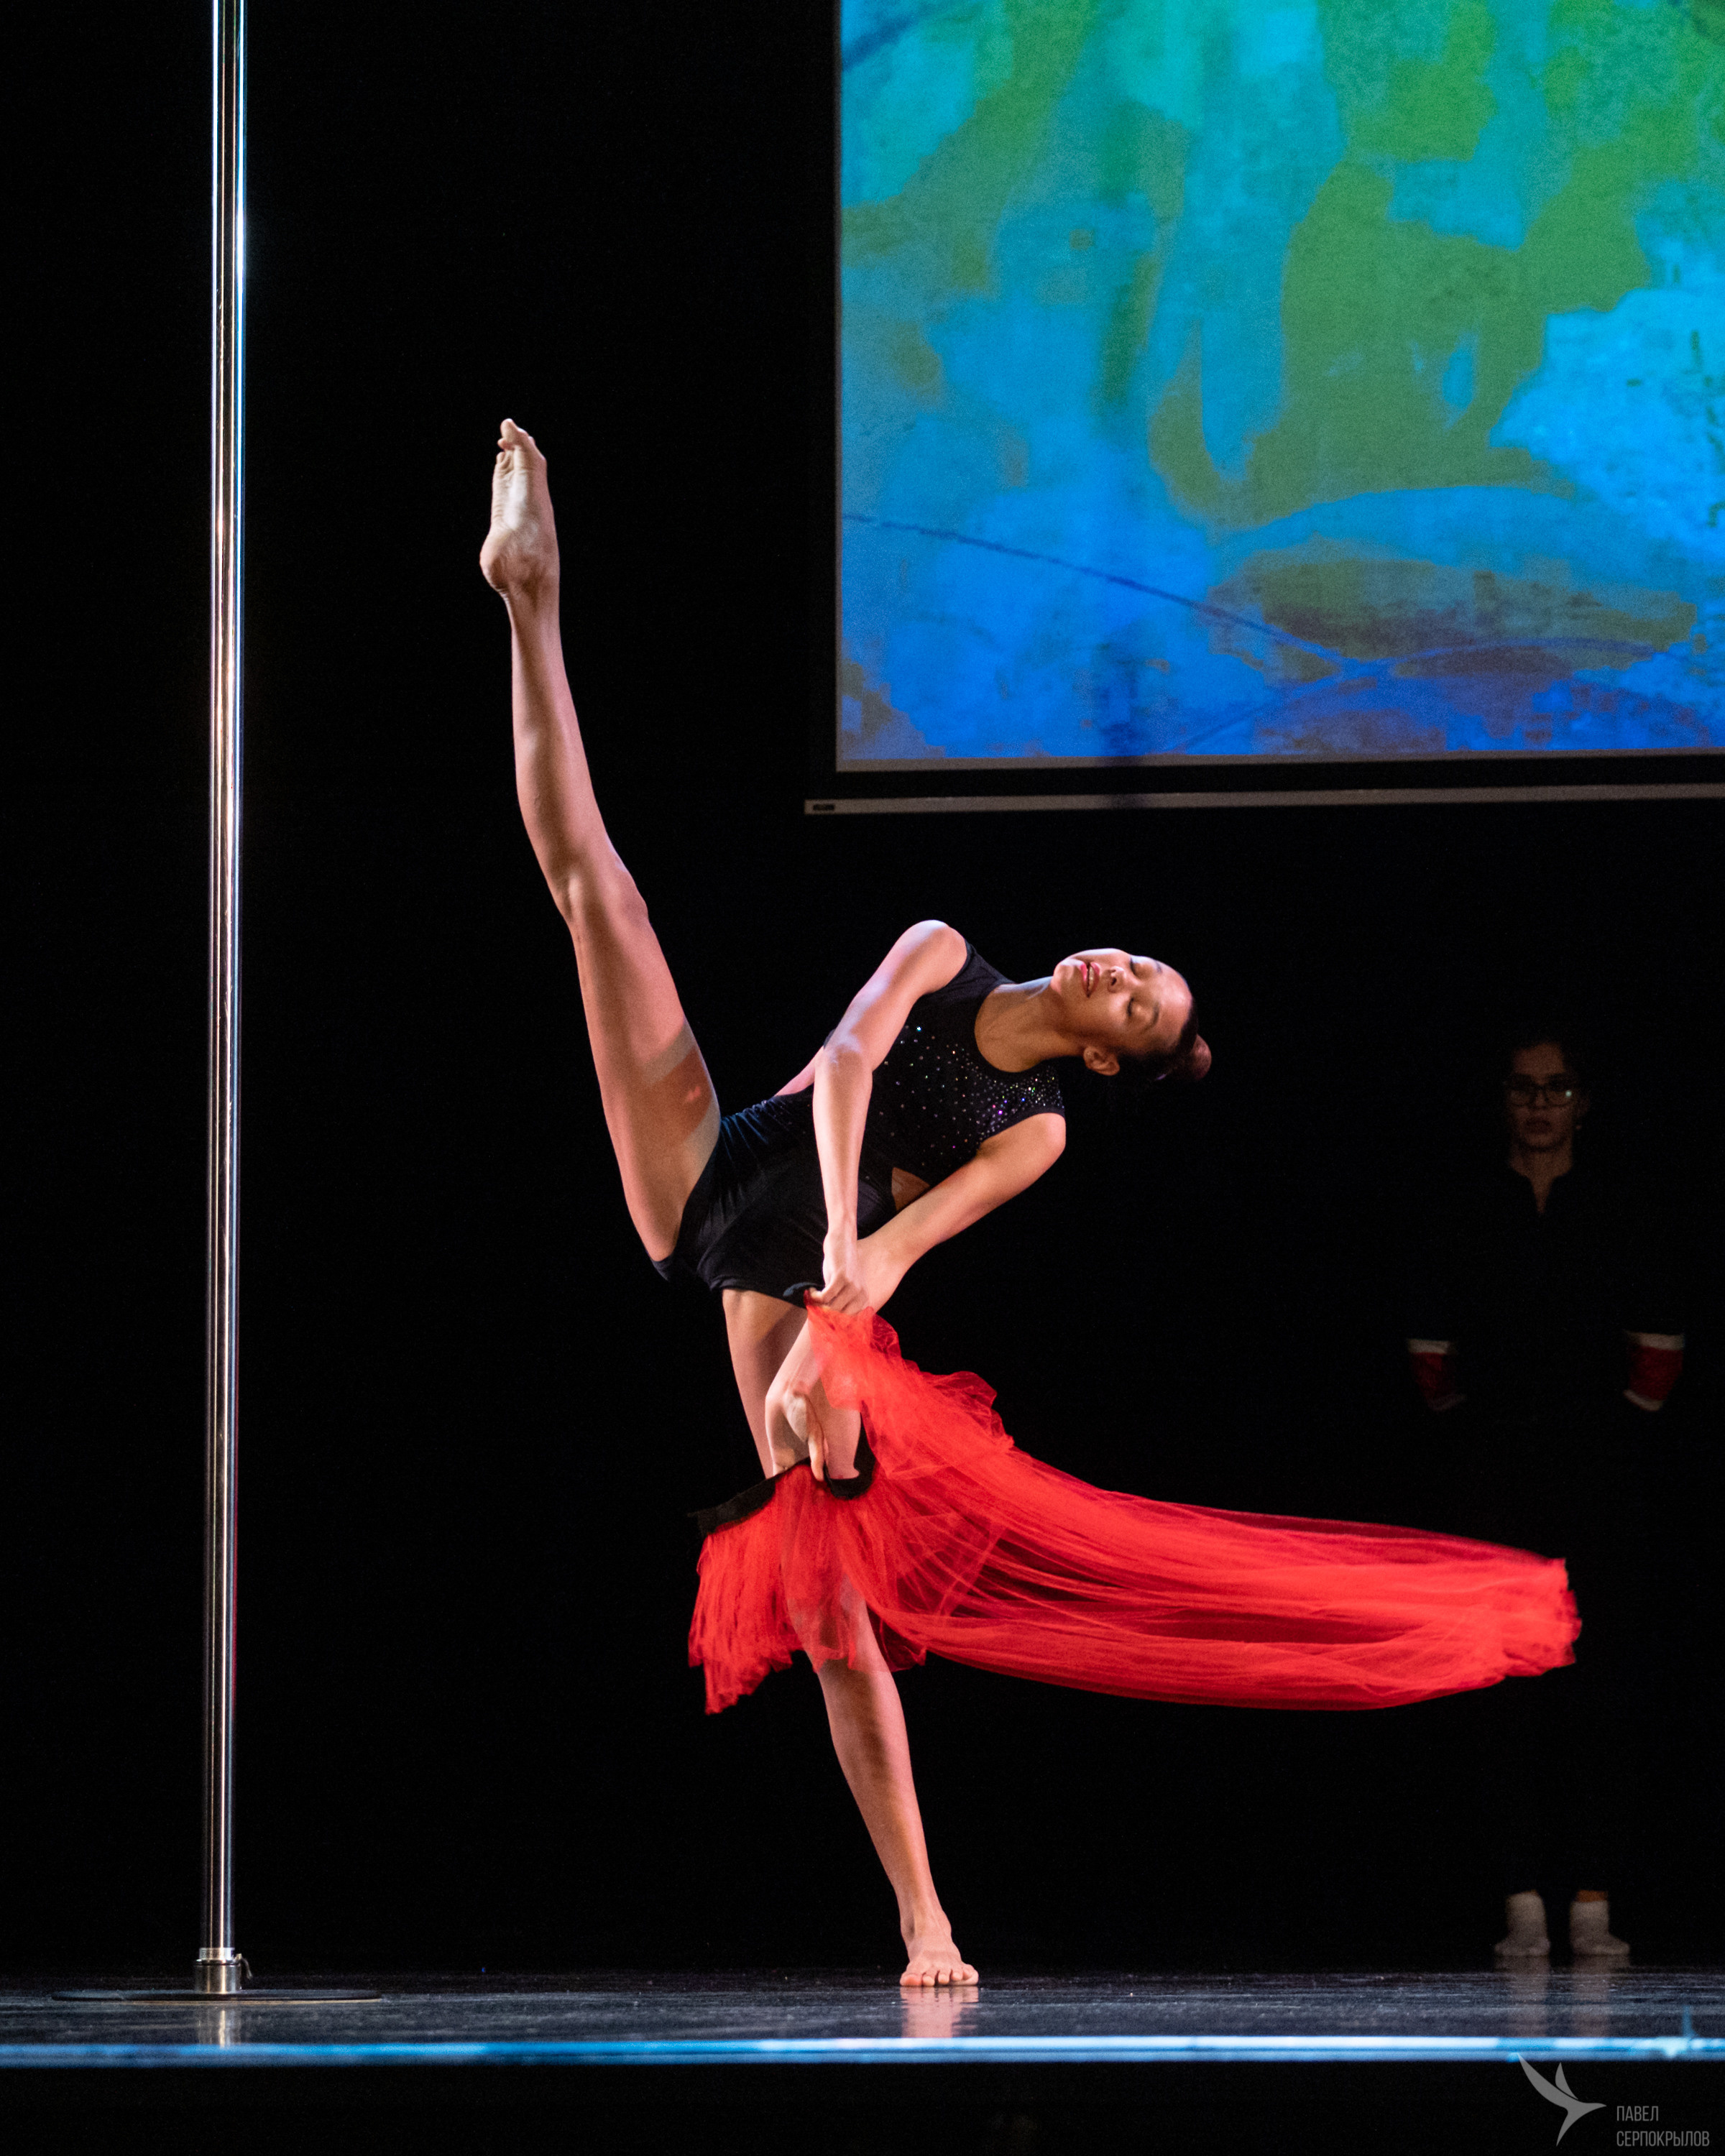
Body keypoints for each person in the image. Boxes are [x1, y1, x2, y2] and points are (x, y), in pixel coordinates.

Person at [482, 420, 1578, 1986]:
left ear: (1115, 1062)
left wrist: (825, 1323)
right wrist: (832, 1271)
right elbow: (848, 1066)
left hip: (816, 1271)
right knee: (600, 888)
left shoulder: (1040, 1128)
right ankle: (530, 595)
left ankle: (926, 1920)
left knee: (838, 1612)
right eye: (1135, 962)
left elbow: (912, 1239)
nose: (1117, 974)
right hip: (732, 1173)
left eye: (1136, 1004)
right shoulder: (945, 945)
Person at [1407, 1026, 1683, 1964]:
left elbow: (1660, 1353)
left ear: (1581, 1104)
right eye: (1524, 1088)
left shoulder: (1617, 1206)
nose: (1539, 1103)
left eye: (1556, 1088)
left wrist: (1600, 1436)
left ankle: (1596, 1901)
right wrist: (1492, 1437)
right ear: (1505, 1103)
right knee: (1504, 1684)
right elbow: (1431, 1359)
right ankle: (1522, 1900)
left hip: (1602, 1477)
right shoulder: (1468, 1209)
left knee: (1600, 1685)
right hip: (1495, 1479)